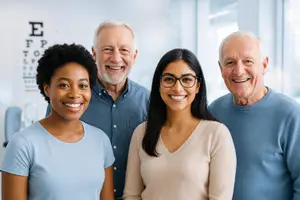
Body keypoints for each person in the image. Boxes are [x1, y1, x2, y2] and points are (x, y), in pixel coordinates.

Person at [45, 21, 149, 199]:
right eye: (108, 49)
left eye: (124, 50)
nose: (116, 58)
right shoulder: (70, 101)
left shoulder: (149, 101)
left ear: (135, 55)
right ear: (94, 53)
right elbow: (49, 155)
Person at [1, 44, 115, 200]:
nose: (75, 94)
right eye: (64, 85)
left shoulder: (101, 140)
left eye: (83, 85)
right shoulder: (23, 143)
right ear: (47, 88)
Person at [123, 48, 236, 200]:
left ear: (198, 86)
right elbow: (132, 196)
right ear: (159, 84)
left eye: (187, 79)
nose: (177, 88)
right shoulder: (141, 133)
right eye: (169, 79)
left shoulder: (216, 134)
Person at [209, 31, 300, 200]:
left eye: (248, 61)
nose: (239, 70)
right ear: (221, 69)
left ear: (264, 65)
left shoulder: (291, 115)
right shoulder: (213, 112)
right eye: (230, 62)